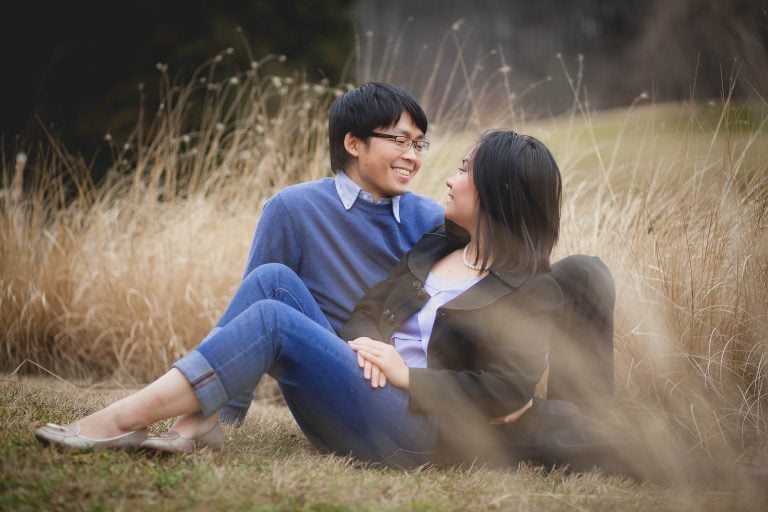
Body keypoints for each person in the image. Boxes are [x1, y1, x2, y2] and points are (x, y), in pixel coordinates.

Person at [34, 130, 604, 468]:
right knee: (274, 280)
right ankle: (205, 421)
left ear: (499, 195)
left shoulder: (533, 288)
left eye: (463, 170)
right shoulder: (438, 245)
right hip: (366, 389)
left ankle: (119, 421)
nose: (449, 179)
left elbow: (502, 392)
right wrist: (368, 350)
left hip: (416, 431)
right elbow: (369, 309)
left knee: (274, 322)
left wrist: (404, 377)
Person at [155, 81, 445, 447]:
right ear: (353, 143)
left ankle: (195, 418)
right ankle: (217, 416)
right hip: (326, 380)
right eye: (400, 141)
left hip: (398, 394)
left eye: (419, 144)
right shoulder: (293, 209)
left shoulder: (433, 221)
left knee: (270, 285)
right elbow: (252, 311)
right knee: (269, 282)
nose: (413, 156)